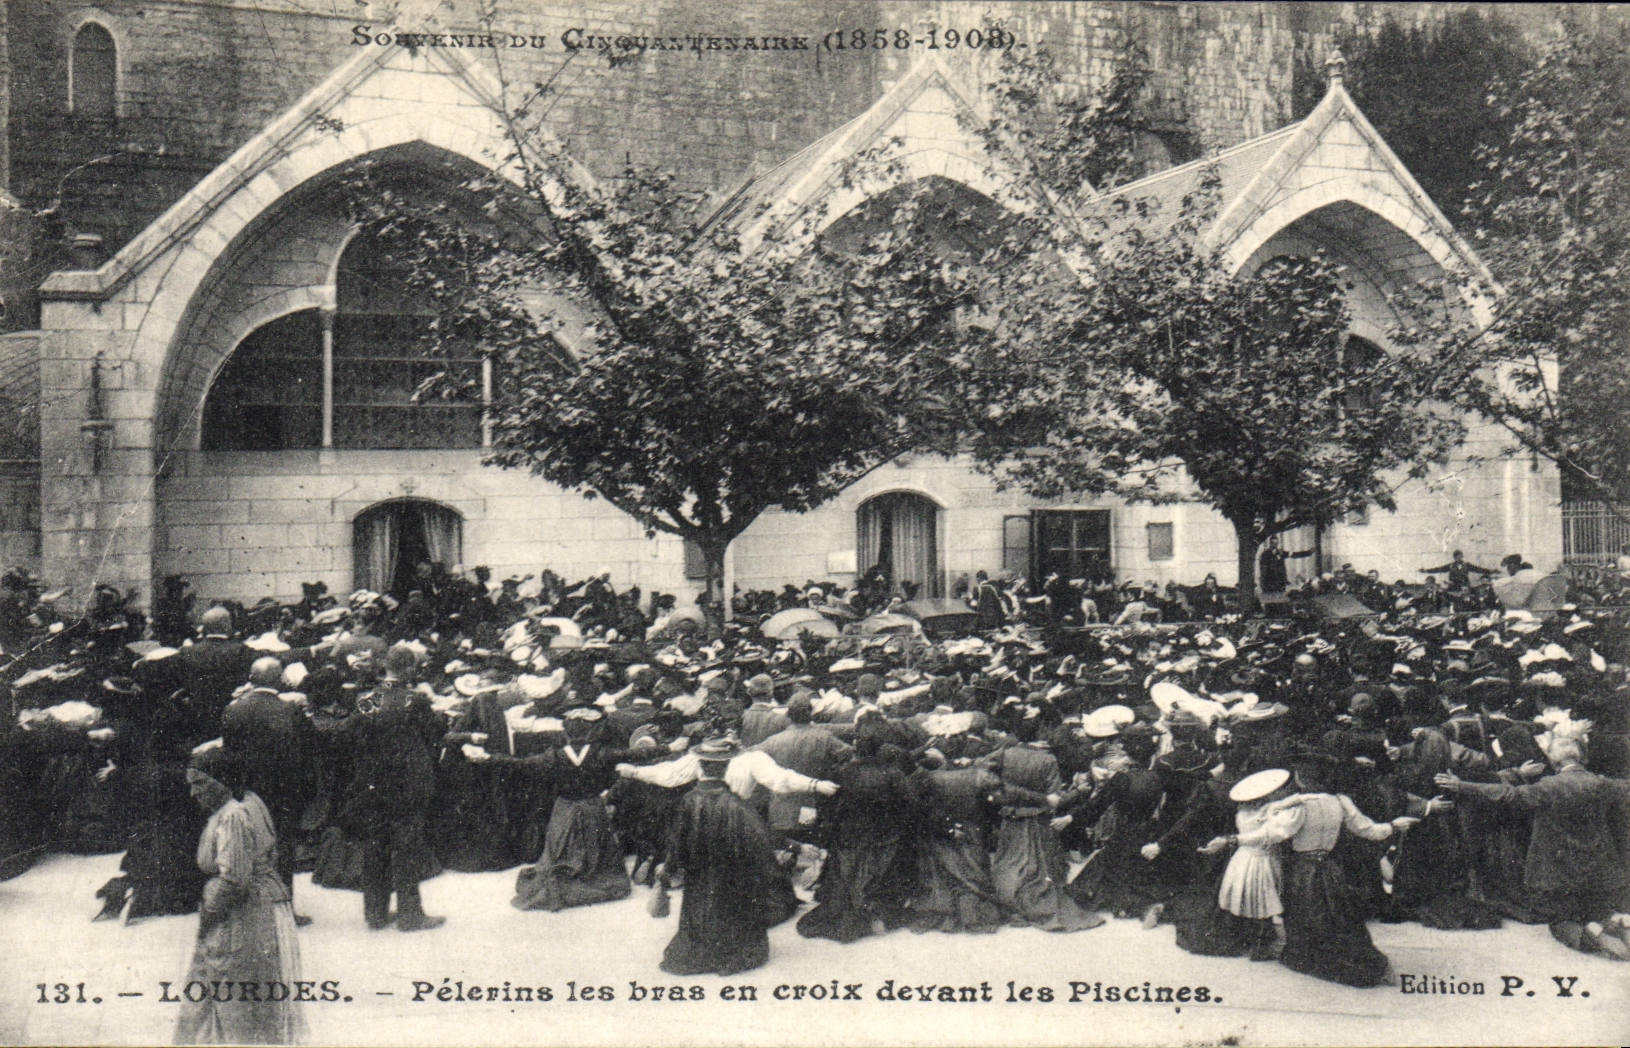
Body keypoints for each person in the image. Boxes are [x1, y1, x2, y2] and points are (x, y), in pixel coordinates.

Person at [1211, 751, 1418, 986]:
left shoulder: (1298, 806)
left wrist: (1232, 840)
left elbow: (1273, 834)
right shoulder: (1341, 801)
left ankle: (1310, 959)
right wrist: (1393, 826)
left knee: (1306, 918)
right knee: (1339, 917)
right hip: (1330, 868)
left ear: (1301, 779)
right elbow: (1368, 830)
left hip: (1302, 870)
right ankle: (1368, 965)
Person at [1435, 736, 1630, 959]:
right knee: (1597, 909)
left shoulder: (1548, 787)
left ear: (1554, 761)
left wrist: (1462, 786)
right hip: (1599, 870)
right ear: (1581, 758)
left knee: (1559, 920)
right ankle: (1616, 924)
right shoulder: (1602, 783)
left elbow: (1509, 795)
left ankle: (1591, 938)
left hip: (1557, 872)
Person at [174, 747, 306, 1045]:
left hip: (248, 915)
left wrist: (209, 910)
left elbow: (234, 879)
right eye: (191, 785)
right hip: (263, 908)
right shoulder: (248, 802)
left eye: (200, 784)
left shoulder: (232, 816)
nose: (194, 793)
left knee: (235, 997)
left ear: (222, 781)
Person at [470, 706, 633, 912]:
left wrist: (488, 758)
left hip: (564, 810)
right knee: (597, 853)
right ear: (591, 732)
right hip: (593, 810)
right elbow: (634, 753)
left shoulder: (554, 756)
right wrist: (669, 748)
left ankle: (563, 872)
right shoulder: (600, 753)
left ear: (566, 732)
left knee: (559, 849)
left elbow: (521, 764)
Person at [331, 643, 446, 931]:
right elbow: (434, 734)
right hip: (408, 783)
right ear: (410, 668)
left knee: (375, 845)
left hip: (373, 783)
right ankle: (410, 915)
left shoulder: (367, 699)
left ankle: (375, 913)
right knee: (407, 847)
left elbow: (347, 735)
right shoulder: (413, 700)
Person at [658, 738, 794, 976]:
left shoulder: (689, 800)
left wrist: (668, 870)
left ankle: (703, 949)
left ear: (700, 766)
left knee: (700, 909)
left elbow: (677, 842)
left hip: (699, 875)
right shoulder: (737, 804)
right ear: (726, 767)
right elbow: (759, 843)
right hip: (732, 875)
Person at [220, 656, 317, 922]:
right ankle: (283, 910)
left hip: (249, 792)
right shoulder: (291, 711)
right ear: (279, 681)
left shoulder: (233, 710)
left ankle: (253, 911)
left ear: (251, 679)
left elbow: (229, 756)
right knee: (283, 851)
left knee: (251, 848)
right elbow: (309, 752)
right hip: (286, 792)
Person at [171, 606, 255, 746]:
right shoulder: (241, 650)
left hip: (197, 721)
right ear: (227, 625)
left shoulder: (187, 652)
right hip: (231, 720)